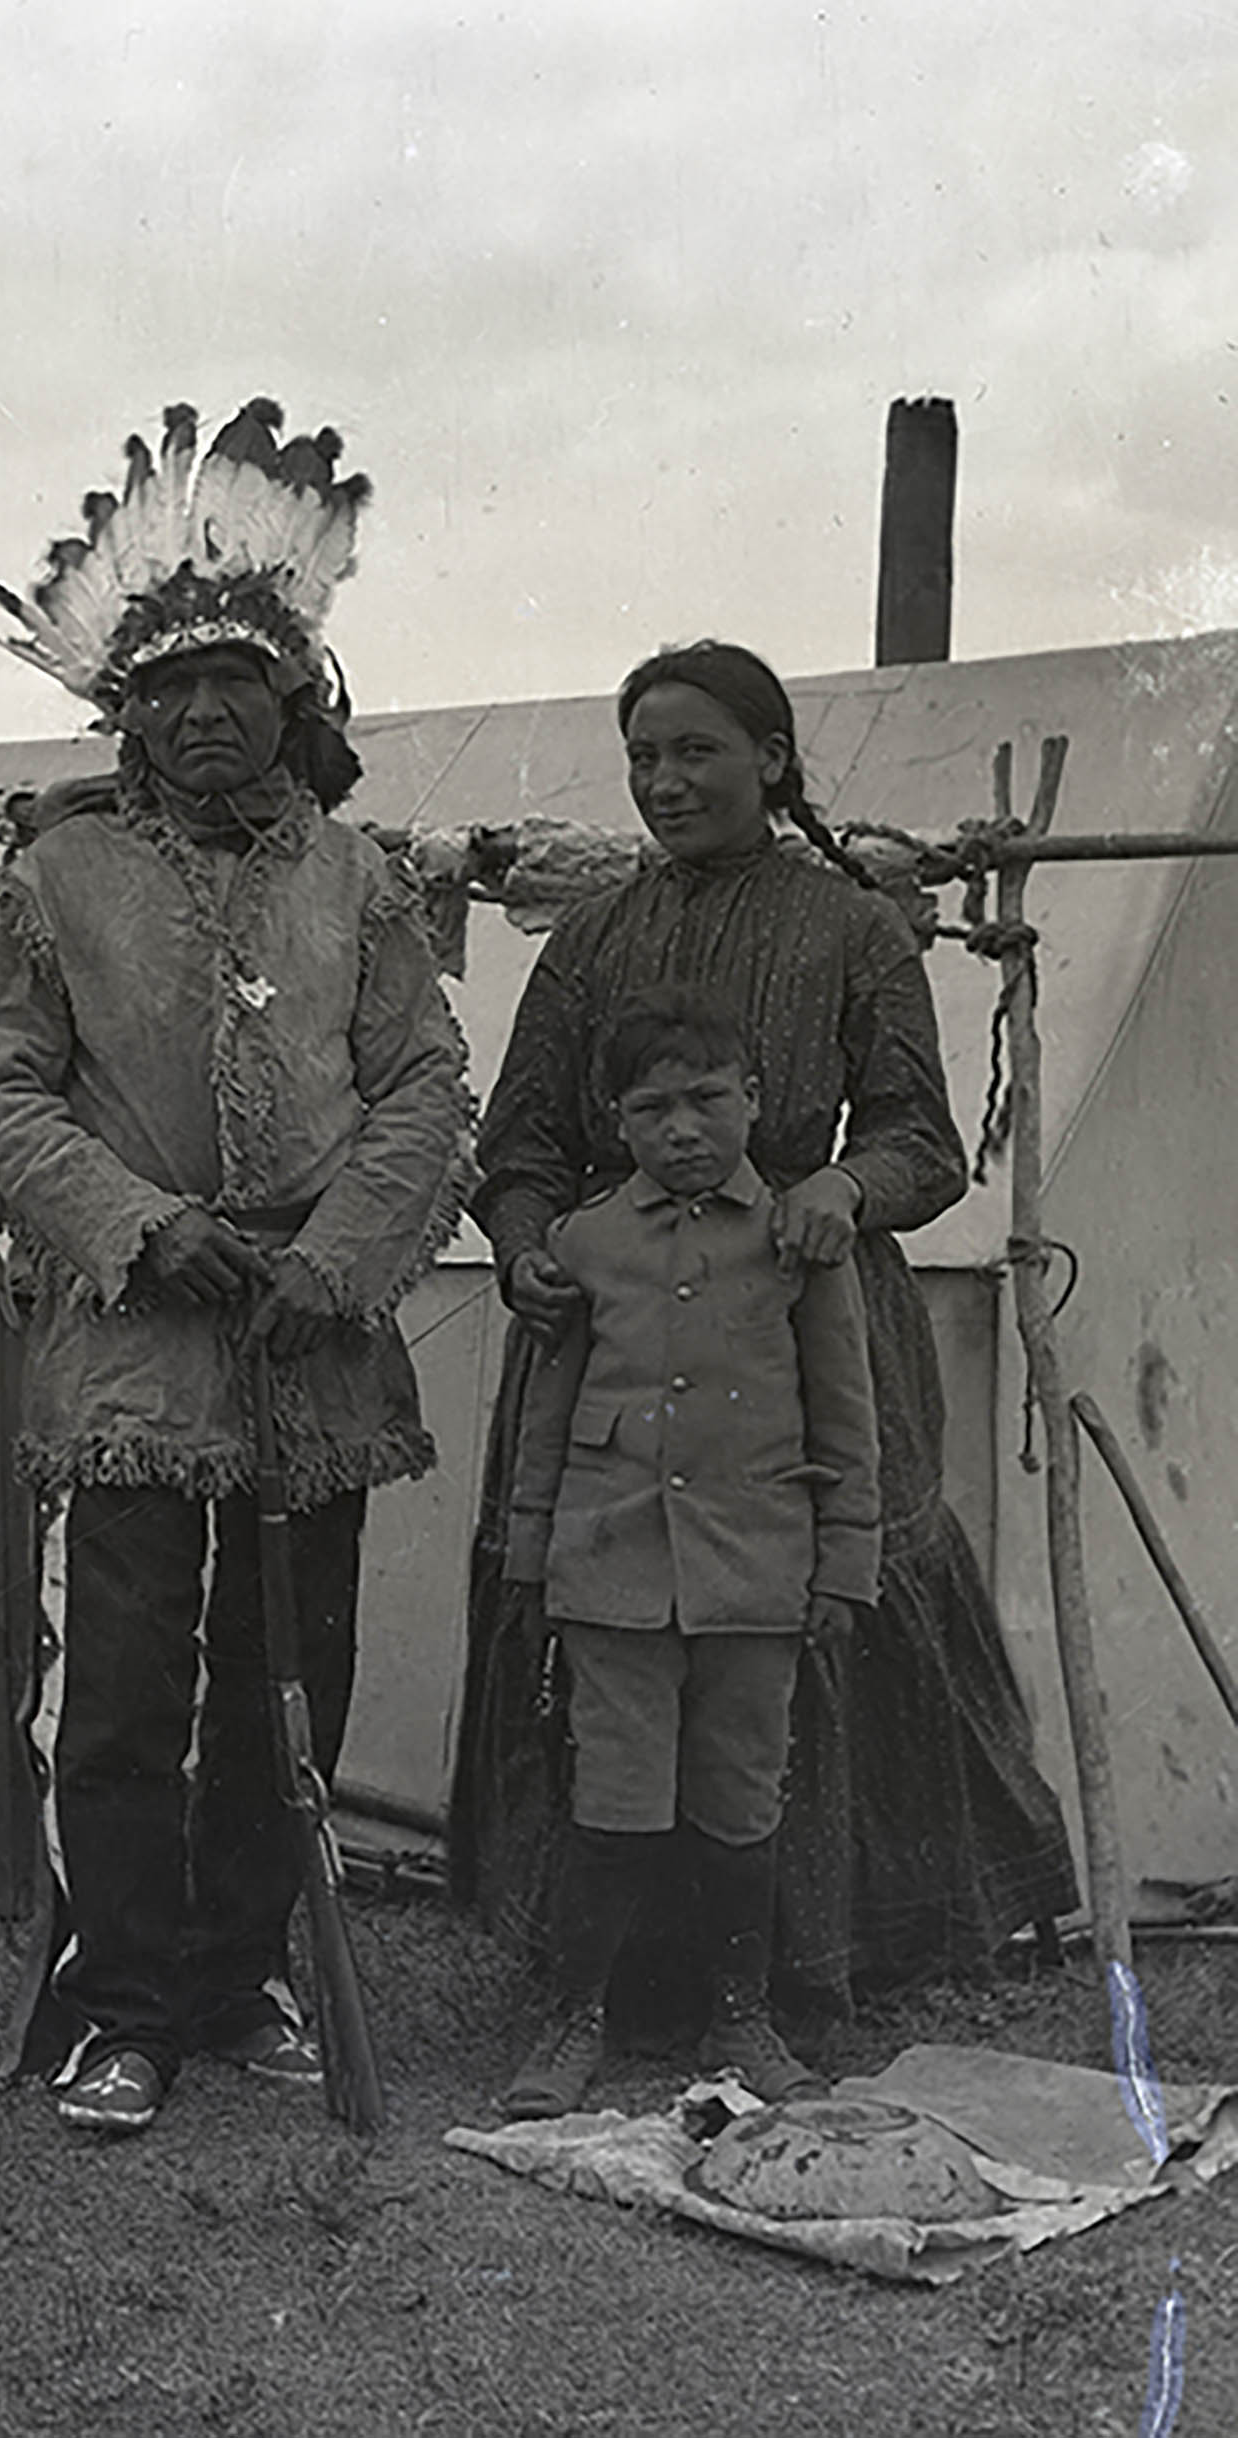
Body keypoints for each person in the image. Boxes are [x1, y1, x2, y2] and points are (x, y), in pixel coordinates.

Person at [0, 400, 473, 2136]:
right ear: (125, 709)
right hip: (133, 1352)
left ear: (296, 694)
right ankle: (122, 2006)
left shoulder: (363, 886)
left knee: (279, 1678)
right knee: (120, 1689)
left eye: (231, 682)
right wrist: (138, 1225)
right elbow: (0, 1093)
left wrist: (332, 1260)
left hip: (310, 1350)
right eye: (163, 688)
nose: (196, 717)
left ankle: (242, 1976)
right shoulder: (56, 879)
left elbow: (420, 1084)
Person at [457, 641, 1076, 2041]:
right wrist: (522, 1248)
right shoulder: (591, 939)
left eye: (697, 751)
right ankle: (611, 1983)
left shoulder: (855, 928)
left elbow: (921, 1134)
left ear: (773, 761)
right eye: (644, 758)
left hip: (806, 1321)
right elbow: (521, 1144)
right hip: (612, 1336)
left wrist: (842, 1191)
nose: (667, 781)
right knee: (609, 1646)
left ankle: (803, 1965)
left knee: (795, 1634)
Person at [497, 986, 879, 2117]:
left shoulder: (803, 1238)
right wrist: (531, 1556)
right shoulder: (584, 1241)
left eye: (708, 1100)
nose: (683, 1129)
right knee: (612, 1799)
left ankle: (742, 2017)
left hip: (757, 1567)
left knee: (740, 1797)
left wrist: (842, 1566)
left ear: (754, 1101)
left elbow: (845, 1413)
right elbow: (547, 1411)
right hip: (614, 1565)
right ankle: (575, 2022)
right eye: (653, 1108)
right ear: (618, 1122)